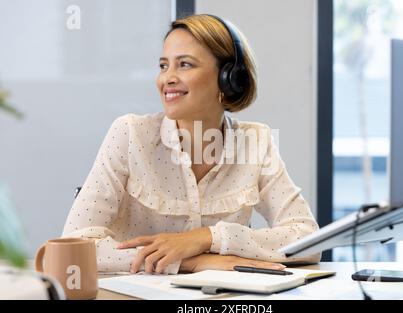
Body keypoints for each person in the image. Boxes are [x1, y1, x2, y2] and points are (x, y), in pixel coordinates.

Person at [62, 14, 320, 275]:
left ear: (228, 78)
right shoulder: (130, 134)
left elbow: (309, 242)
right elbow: (73, 247)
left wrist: (208, 237)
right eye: (164, 66)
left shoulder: (255, 143)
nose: (167, 78)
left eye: (184, 64)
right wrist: (192, 261)